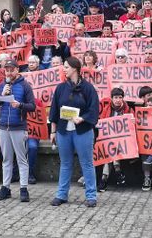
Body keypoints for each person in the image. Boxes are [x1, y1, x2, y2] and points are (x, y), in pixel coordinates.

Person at [49, 57, 100, 207]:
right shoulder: (60, 88)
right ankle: (61, 194)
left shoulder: (88, 88)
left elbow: (94, 109)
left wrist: (82, 119)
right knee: (65, 163)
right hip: (64, 131)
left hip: (82, 131)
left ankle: (91, 196)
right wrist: (53, 132)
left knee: (87, 163)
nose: (63, 69)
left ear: (75, 69)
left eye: (66, 67)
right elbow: (54, 111)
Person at [0, 59, 36, 203]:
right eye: (7, 70)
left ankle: (23, 188)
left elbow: (32, 106)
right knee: (6, 159)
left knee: (22, 159)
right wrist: (2, 95)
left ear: (17, 70)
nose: (9, 72)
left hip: (18, 127)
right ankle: (6, 187)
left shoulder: (25, 86)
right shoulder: (2, 85)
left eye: (12, 69)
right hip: (3, 126)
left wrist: (20, 105)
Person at [98, 87, 132, 191]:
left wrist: (132, 121)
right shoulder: (106, 109)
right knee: (111, 150)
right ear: (111, 98)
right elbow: (101, 123)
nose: (118, 100)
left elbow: (131, 127)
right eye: (116, 97)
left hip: (123, 142)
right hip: (109, 140)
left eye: (120, 97)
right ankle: (117, 169)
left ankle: (104, 179)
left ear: (123, 98)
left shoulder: (129, 110)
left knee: (111, 151)